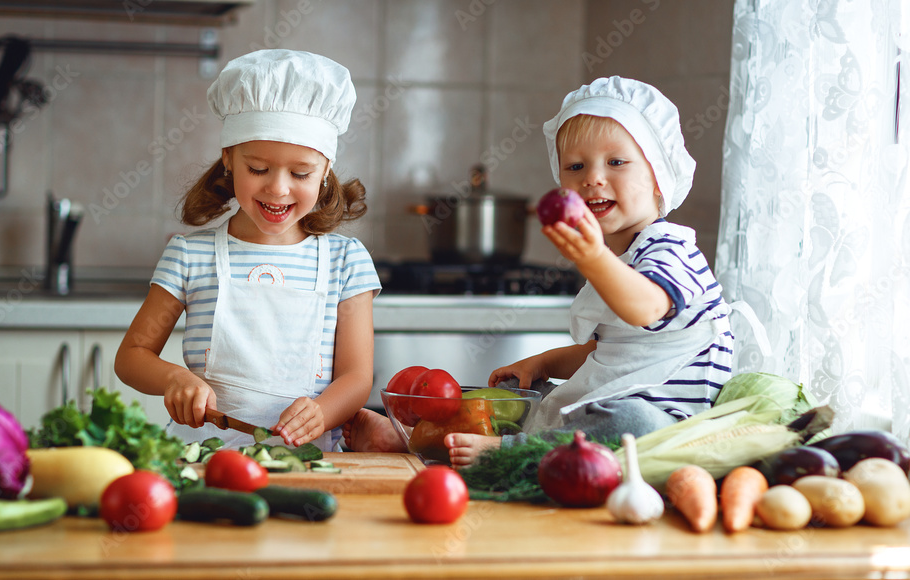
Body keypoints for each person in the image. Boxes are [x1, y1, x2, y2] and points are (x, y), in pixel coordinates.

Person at [344, 76, 733, 467]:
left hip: (667, 427)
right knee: (524, 394)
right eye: (575, 166)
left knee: (633, 421)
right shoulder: (618, 256)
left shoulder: (670, 247)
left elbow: (645, 308)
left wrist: (594, 259)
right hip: (614, 401)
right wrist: (543, 363)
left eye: (616, 162)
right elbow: (610, 354)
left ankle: (502, 453)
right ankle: (422, 439)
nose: (592, 178)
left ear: (659, 176)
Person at [116, 49, 381, 452]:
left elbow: (357, 376)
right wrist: (174, 378)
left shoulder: (346, 262)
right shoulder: (190, 255)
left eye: (301, 173)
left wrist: (323, 413)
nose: (277, 187)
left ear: (326, 168)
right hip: (203, 460)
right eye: (258, 168)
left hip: (309, 464)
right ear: (228, 158)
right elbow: (132, 356)